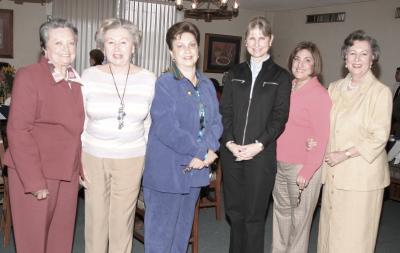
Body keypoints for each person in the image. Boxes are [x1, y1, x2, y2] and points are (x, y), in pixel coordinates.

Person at [3, 18, 84, 253]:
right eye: (58, 43)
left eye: (71, 43)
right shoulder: (30, 76)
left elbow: (75, 130)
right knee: (33, 243)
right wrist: (35, 181)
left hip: (66, 173)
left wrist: (78, 168)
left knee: (61, 239)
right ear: (45, 47)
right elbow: (18, 131)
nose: (66, 49)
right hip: (36, 173)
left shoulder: (76, 81)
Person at [142, 21, 222, 253]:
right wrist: (201, 152)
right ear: (171, 52)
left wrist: (208, 152)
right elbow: (167, 128)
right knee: (160, 240)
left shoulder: (207, 85)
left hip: (196, 170)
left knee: (181, 236)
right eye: (180, 46)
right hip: (166, 172)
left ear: (198, 50)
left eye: (192, 45)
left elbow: (216, 122)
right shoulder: (165, 83)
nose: (187, 51)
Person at [80, 18, 156, 253]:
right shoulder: (89, 75)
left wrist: (142, 153)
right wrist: (78, 159)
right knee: (95, 221)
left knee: (122, 222)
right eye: (110, 42)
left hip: (131, 158)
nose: (117, 48)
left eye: (124, 42)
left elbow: (149, 123)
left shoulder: (148, 79)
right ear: (103, 47)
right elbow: (80, 119)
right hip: (93, 156)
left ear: (134, 46)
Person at [220, 16, 291, 253]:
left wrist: (257, 145)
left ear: (270, 40)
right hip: (232, 154)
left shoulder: (281, 76)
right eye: (252, 38)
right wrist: (229, 142)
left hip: (261, 156)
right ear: (246, 41)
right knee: (235, 214)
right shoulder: (234, 72)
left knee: (253, 217)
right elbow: (225, 112)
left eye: (262, 38)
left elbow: (279, 118)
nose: (257, 43)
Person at [318, 30, 392, 253]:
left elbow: (379, 136)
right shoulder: (334, 87)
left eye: (364, 54)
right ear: (345, 58)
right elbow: (324, 126)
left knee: (354, 239)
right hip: (333, 174)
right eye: (352, 53)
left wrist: (346, 153)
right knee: (329, 233)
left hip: (362, 177)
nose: (357, 59)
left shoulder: (381, 92)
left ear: (373, 59)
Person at [271, 42, 331, 253]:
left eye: (307, 60)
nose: (300, 64)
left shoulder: (319, 94)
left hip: (303, 167)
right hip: (280, 163)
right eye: (297, 59)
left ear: (315, 65)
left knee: (299, 223)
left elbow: (322, 135)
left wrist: (308, 169)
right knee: (281, 216)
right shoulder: (287, 86)